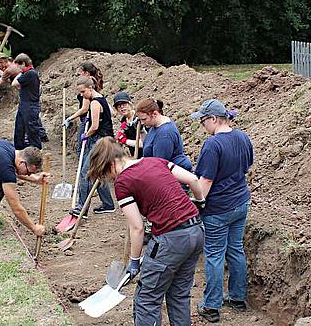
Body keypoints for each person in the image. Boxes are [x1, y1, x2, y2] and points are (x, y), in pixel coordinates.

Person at [87, 137, 205, 326]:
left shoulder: (123, 182)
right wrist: (199, 202)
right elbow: (192, 179)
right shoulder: (155, 161)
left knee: (147, 299)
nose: (109, 179)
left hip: (171, 238)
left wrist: (134, 261)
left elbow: (137, 227)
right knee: (179, 294)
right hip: (196, 231)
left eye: (106, 173)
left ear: (111, 163)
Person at [190, 99, 254, 323]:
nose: (202, 126)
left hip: (218, 209)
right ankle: (237, 297)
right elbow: (247, 166)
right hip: (241, 203)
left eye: (203, 121)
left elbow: (205, 180)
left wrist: (197, 203)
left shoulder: (212, 145)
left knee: (215, 255)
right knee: (235, 250)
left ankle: (211, 306)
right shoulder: (243, 137)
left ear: (214, 119)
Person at [71, 76, 116, 216]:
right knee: (99, 173)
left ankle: (81, 209)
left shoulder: (95, 103)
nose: (81, 95)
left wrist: (86, 135)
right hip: (105, 139)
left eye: (83, 92)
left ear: (90, 88)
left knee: (86, 173)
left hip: (99, 141)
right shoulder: (101, 99)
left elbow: (95, 126)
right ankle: (108, 204)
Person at [136, 99, 192, 171]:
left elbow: (159, 166)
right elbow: (148, 145)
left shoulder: (164, 134)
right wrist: (141, 131)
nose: (142, 123)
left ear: (155, 114)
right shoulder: (155, 126)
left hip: (173, 177)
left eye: (144, 119)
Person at [63, 62, 104, 154]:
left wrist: (70, 118)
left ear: (86, 73)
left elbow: (85, 108)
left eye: (82, 72)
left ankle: (83, 167)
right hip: (89, 118)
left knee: (82, 149)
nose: (80, 74)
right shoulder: (93, 83)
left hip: (87, 120)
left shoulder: (88, 86)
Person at [10, 53, 48, 149]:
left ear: (23, 63)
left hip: (30, 106)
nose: (17, 68)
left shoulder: (30, 73)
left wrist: (20, 72)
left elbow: (14, 83)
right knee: (19, 129)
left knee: (32, 131)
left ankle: (37, 150)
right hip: (24, 104)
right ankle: (19, 149)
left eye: (18, 65)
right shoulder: (28, 74)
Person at [112, 91, 144, 156]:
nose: (122, 107)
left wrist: (125, 141)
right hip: (134, 155)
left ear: (130, 104)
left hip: (145, 155)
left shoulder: (139, 119)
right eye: (119, 106)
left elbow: (143, 143)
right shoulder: (124, 120)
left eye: (124, 104)